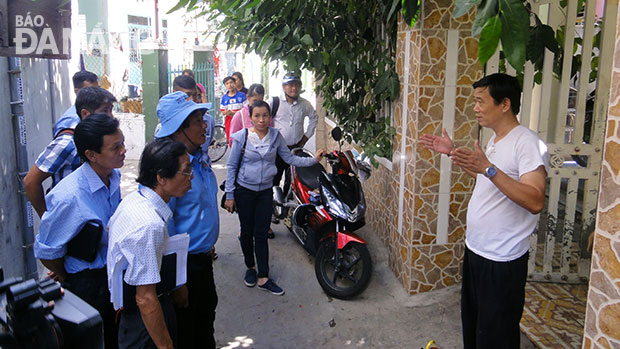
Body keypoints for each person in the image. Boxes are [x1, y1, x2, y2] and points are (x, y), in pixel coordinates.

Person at [420, 73, 549, 348]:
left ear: (505, 104)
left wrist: (488, 169)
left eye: (481, 101)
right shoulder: (495, 139)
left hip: (502, 261)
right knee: (476, 329)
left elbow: (536, 199)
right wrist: (453, 152)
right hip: (477, 252)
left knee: (497, 336)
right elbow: (489, 182)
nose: (476, 108)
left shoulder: (527, 142)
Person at [33, 114, 125, 349]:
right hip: (87, 285)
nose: (123, 150)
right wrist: (68, 275)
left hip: (112, 276)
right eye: (116, 147)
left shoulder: (113, 177)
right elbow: (46, 250)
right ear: (91, 155)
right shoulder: (69, 196)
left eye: (122, 143)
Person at [224, 100, 326, 295]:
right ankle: (250, 268)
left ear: (270, 118)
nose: (261, 120)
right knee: (246, 232)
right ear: (251, 117)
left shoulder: (275, 136)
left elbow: (289, 159)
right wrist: (230, 195)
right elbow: (231, 167)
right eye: (257, 116)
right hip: (244, 191)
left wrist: (314, 160)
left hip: (264, 192)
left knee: (261, 234)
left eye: (265, 115)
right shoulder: (241, 137)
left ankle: (263, 276)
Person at [107, 138, 193, 349]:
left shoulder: (134, 200)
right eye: (185, 171)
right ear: (161, 178)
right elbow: (145, 299)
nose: (191, 177)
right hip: (143, 323)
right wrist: (165, 346)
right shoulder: (148, 224)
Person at [156, 91, 219, 348]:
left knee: (205, 322)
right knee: (188, 331)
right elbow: (165, 228)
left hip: (203, 260)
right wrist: (177, 281)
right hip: (185, 268)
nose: (205, 124)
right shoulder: (169, 170)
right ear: (178, 130)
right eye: (197, 120)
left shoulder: (199, 157)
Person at [24, 87, 117, 217]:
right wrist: (46, 217)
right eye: (105, 111)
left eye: (111, 109)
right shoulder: (67, 143)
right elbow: (31, 181)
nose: (111, 116)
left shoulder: (105, 140)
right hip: (69, 216)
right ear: (85, 114)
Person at [229, 83, 276, 238]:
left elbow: (273, 136)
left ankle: (263, 226)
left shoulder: (267, 117)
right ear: (248, 98)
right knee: (246, 207)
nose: (261, 119)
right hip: (245, 165)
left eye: (261, 99)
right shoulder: (240, 116)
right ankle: (246, 229)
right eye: (255, 99)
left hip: (264, 176)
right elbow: (232, 139)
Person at [270, 73, 318, 191]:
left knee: (293, 181)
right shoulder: (274, 102)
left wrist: (306, 137)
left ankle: (287, 207)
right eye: (290, 85)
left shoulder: (305, 104)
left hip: (296, 149)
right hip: (277, 150)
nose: (294, 88)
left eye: (297, 85)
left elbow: (314, 118)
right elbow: (262, 118)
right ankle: (272, 206)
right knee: (273, 180)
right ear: (283, 87)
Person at [53, 70, 99, 136]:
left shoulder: (95, 112)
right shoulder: (71, 120)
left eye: (97, 89)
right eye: (90, 90)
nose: (96, 94)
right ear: (77, 91)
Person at [220, 76, 247, 140]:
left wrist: (234, 113)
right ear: (225, 85)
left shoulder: (242, 95)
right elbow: (223, 111)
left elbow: (246, 108)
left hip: (241, 119)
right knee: (231, 137)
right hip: (229, 120)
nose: (230, 85)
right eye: (227, 83)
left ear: (235, 83)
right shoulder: (224, 98)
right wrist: (228, 112)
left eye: (231, 82)